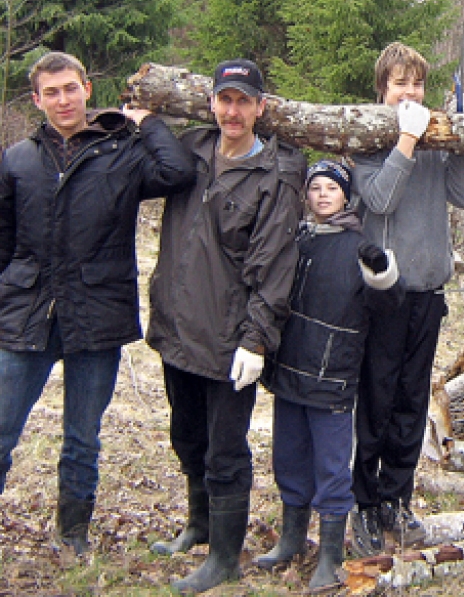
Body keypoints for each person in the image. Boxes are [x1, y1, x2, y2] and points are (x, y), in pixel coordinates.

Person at [0, 52, 194, 554]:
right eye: (51, 92)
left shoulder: (122, 152)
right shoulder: (18, 160)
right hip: (27, 314)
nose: (63, 100)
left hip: (96, 313)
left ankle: (72, 536)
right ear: (37, 100)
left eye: (71, 88)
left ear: (87, 89)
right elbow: (3, 242)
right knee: (1, 431)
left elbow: (178, 172)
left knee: (82, 438)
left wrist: (146, 121)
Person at [146, 59, 305, 594]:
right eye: (225, 99)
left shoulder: (274, 177)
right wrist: (143, 119)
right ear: (211, 102)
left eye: (243, 101)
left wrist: (256, 340)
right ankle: (199, 523)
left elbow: (274, 266)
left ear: (261, 107)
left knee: (225, 451)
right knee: (186, 436)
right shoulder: (190, 151)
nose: (232, 111)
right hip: (177, 328)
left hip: (229, 340)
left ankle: (225, 556)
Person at [349, 42, 464, 556]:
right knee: (375, 399)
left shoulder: (434, 137)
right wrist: (405, 139)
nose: (410, 92)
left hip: (429, 291)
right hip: (384, 293)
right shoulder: (366, 137)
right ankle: (362, 503)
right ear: (382, 89)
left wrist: (463, 139)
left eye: (417, 84)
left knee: (410, 400)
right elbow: (379, 199)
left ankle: (396, 500)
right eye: (400, 83)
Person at [256, 159, 405, 590]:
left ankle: (330, 555)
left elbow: (390, 305)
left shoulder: (360, 247)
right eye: (316, 187)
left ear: (346, 196)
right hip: (289, 372)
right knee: (289, 458)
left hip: (332, 377)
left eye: (332, 188)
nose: (323, 195)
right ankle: (291, 538)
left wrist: (382, 272)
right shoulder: (297, 239)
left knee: (332, 467)